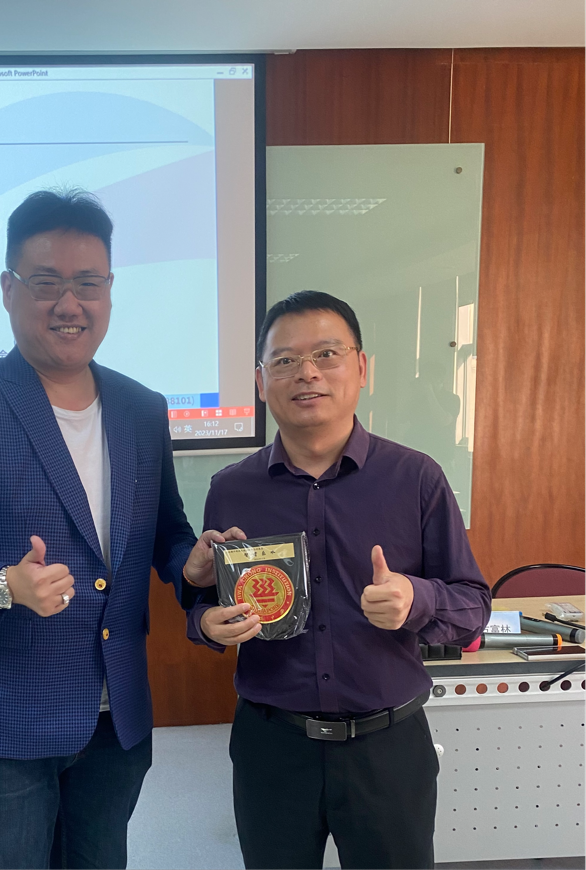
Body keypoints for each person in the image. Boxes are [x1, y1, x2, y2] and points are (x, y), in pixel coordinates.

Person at [0, 189, 241, 870]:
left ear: (109, 290)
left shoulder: (140, 408)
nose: (70, 303)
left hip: (115, 721)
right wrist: (0, 584)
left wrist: (190, 563)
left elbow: (166, 530)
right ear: (8, 289)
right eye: (46, 283)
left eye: (88, 283)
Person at [187, 290, 491, 870]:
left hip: (388, 749)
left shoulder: (416, 478)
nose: (307, 373)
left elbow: (473, 606)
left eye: (326, 354)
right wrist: (207, 624)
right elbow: (203, 603)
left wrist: (416, 598)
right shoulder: (231, 489)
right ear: (261, 381)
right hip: (272, 748)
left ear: (361, 367)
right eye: (284, 360)